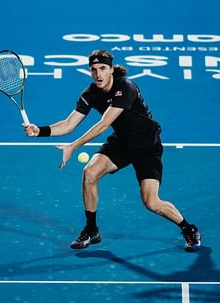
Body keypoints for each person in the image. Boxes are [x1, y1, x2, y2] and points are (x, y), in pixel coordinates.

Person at [23, 50, 201, 252]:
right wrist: (40, 131)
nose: (98, 74)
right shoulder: (90, 94)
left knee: (151, 202)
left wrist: (73, 146)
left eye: (102, 69)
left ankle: (189, 228)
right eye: (93, 70)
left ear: (111, 70)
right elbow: (68, 124)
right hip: (122, 143)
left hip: (147, 147)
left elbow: (104, 124)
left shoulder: (126, 86)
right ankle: (91, 229)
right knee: (89, 173)